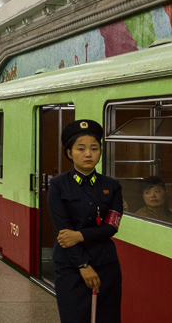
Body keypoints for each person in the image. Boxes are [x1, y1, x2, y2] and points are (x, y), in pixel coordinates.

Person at [48, 119, 123, 323]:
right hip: (70, 266)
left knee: (108, 318)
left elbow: (111, 227)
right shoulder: (58, 185)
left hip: (106, 264)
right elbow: (64, 233)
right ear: (70, 153)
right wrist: (83, 265)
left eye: (94, 148)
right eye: (81, 149)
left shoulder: (112, 186)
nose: (88, 154)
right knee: (75, 317)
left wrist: (79, 235)